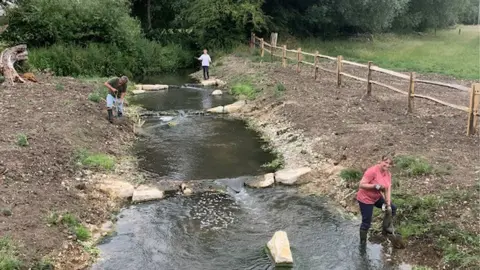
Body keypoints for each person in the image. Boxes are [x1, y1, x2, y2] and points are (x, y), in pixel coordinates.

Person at [356, 155, 397, 244]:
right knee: (366, 222)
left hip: (376, 198)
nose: (387, 165)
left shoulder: (388, 174)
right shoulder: (372, 171)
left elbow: (387, 189)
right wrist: (375, 186)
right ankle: (362, 243)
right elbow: (361, 185)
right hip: (365, 199)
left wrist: (388, 203)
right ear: (380, 161)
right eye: (386, 162)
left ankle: (385, 230)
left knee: (392, 209)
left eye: (389, 164)